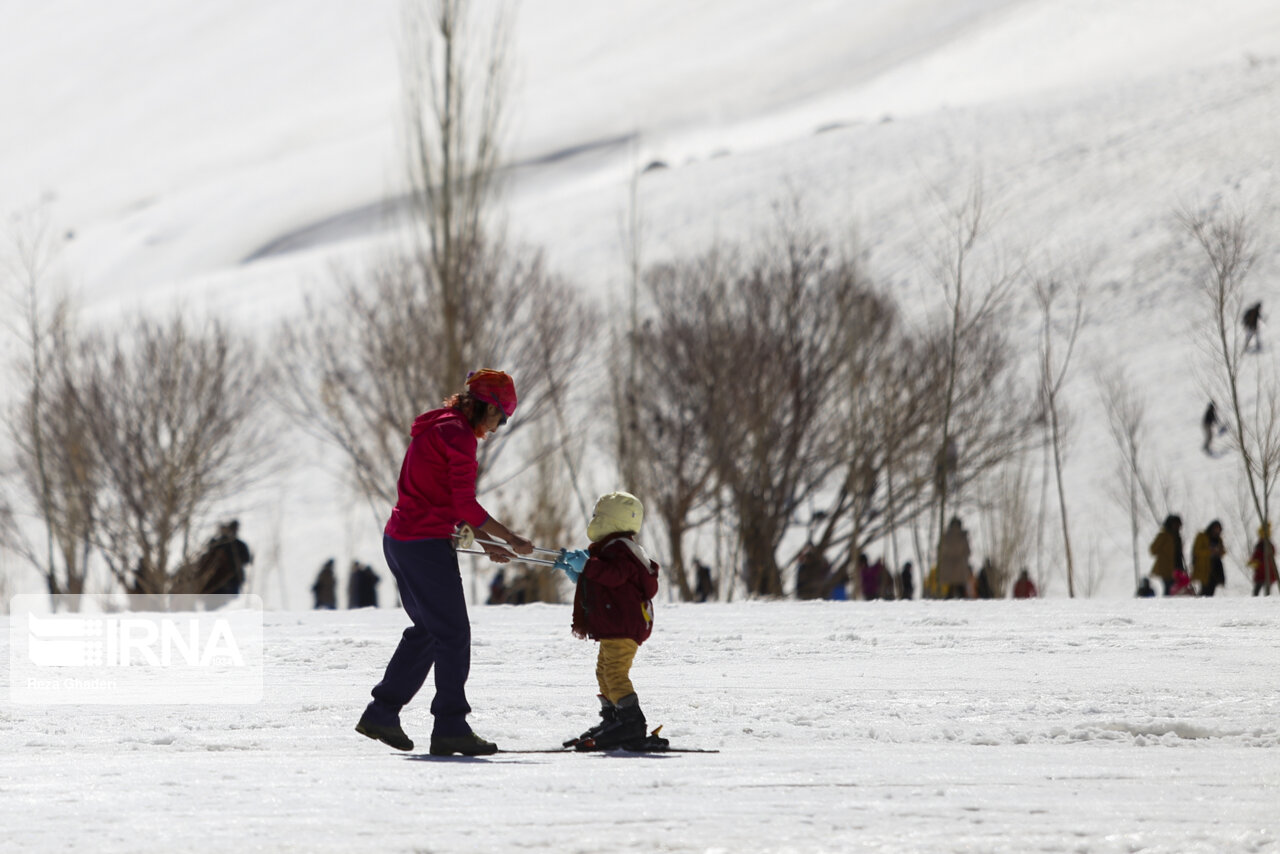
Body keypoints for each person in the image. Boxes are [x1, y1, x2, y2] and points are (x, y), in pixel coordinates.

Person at [355, 369, 533, 756]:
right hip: (422, 544)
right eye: (501, 416)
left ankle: (382, 712)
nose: (500, 426)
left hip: (401, 539)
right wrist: (508, 537)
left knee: (430, 630)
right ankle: (451, 725)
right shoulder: (458, 435)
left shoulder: (439, 425)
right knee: (452, 634)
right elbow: (464, 504)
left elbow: (450, 502)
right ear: (486, 406)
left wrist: (487, 542)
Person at [554, 491, 661, 751]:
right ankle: (613, 718)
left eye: (597, 516)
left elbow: (614, 576)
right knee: (604, 671)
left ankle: (631, 723)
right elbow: (606, 585)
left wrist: (587, 566)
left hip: (623, 624)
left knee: (614, 672)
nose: (593, 520)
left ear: (611, 519)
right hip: (616, 624)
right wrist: (578, 574)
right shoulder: (612, 549)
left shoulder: (622, 548)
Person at [197, 520, 252, 597]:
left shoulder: (238, 545)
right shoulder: (217, 543)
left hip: (231, 580)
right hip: (216, 582)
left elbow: (246, 559)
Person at [1148, 514, 1185, 596]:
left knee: (1174, 587)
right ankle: (1167, 604)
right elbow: (1153, 550)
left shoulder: (1177, 537)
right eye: (1175, 524)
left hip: (1176, 566)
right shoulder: (1163, 535)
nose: (1177, 526)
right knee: (1169, 586)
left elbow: (1179, 553)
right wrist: (1164, 554)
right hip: (1165, 567)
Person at [937, 516, 972, 599]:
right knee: (961, 590)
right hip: (960, 568)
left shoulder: (946, 537)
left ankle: (946, 607)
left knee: (950, 590)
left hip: (949, 568)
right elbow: (968, 551)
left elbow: (940, 551)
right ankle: (968, 608)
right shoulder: (962, 536)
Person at [1192, 521, 1227, 597]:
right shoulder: (1202, 537)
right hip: (1204, 566)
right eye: (1216, 528)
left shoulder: (1218, 539)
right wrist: (1209, 551)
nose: (1217, 531)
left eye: (1219, 529)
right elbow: (1197, 551)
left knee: (1212, 587)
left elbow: (1223, 550)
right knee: (1205, 587)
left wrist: (1219, 552)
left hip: (1216, 566)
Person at [1249, 523, 1277, 596]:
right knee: (1258, 588)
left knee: (1266, 588)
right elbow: (1256, 556)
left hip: (1266, 570)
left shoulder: (1267, 544)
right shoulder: (1260, 545)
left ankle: (1265, 599)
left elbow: (1272, 553)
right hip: (1261, 570)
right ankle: (1256, 600)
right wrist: (1253, 561)